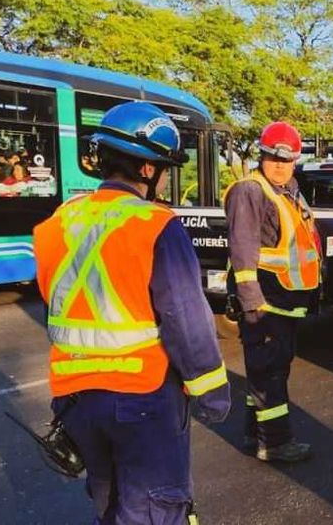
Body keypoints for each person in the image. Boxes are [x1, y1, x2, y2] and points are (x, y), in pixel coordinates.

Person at [31, 101, 230, 524]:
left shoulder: (57, 223)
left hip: (74, 399)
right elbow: (186, 320)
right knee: (153, 510)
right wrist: (212, 393)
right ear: (147, 170)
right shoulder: (155, 223)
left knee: (108, 502)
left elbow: (57, 303)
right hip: (141, 397)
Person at [224, 120, 320, 463]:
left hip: (283, 300)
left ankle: (256, 434)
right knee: (271, 373)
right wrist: (252, 303)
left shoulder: (288, 190)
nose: (280, 165)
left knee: (267, 370)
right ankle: (275, 442)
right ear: (261, 155)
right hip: (265, 303)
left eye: (287, 159)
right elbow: (243, 250)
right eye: (272, 158)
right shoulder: (251, 191)